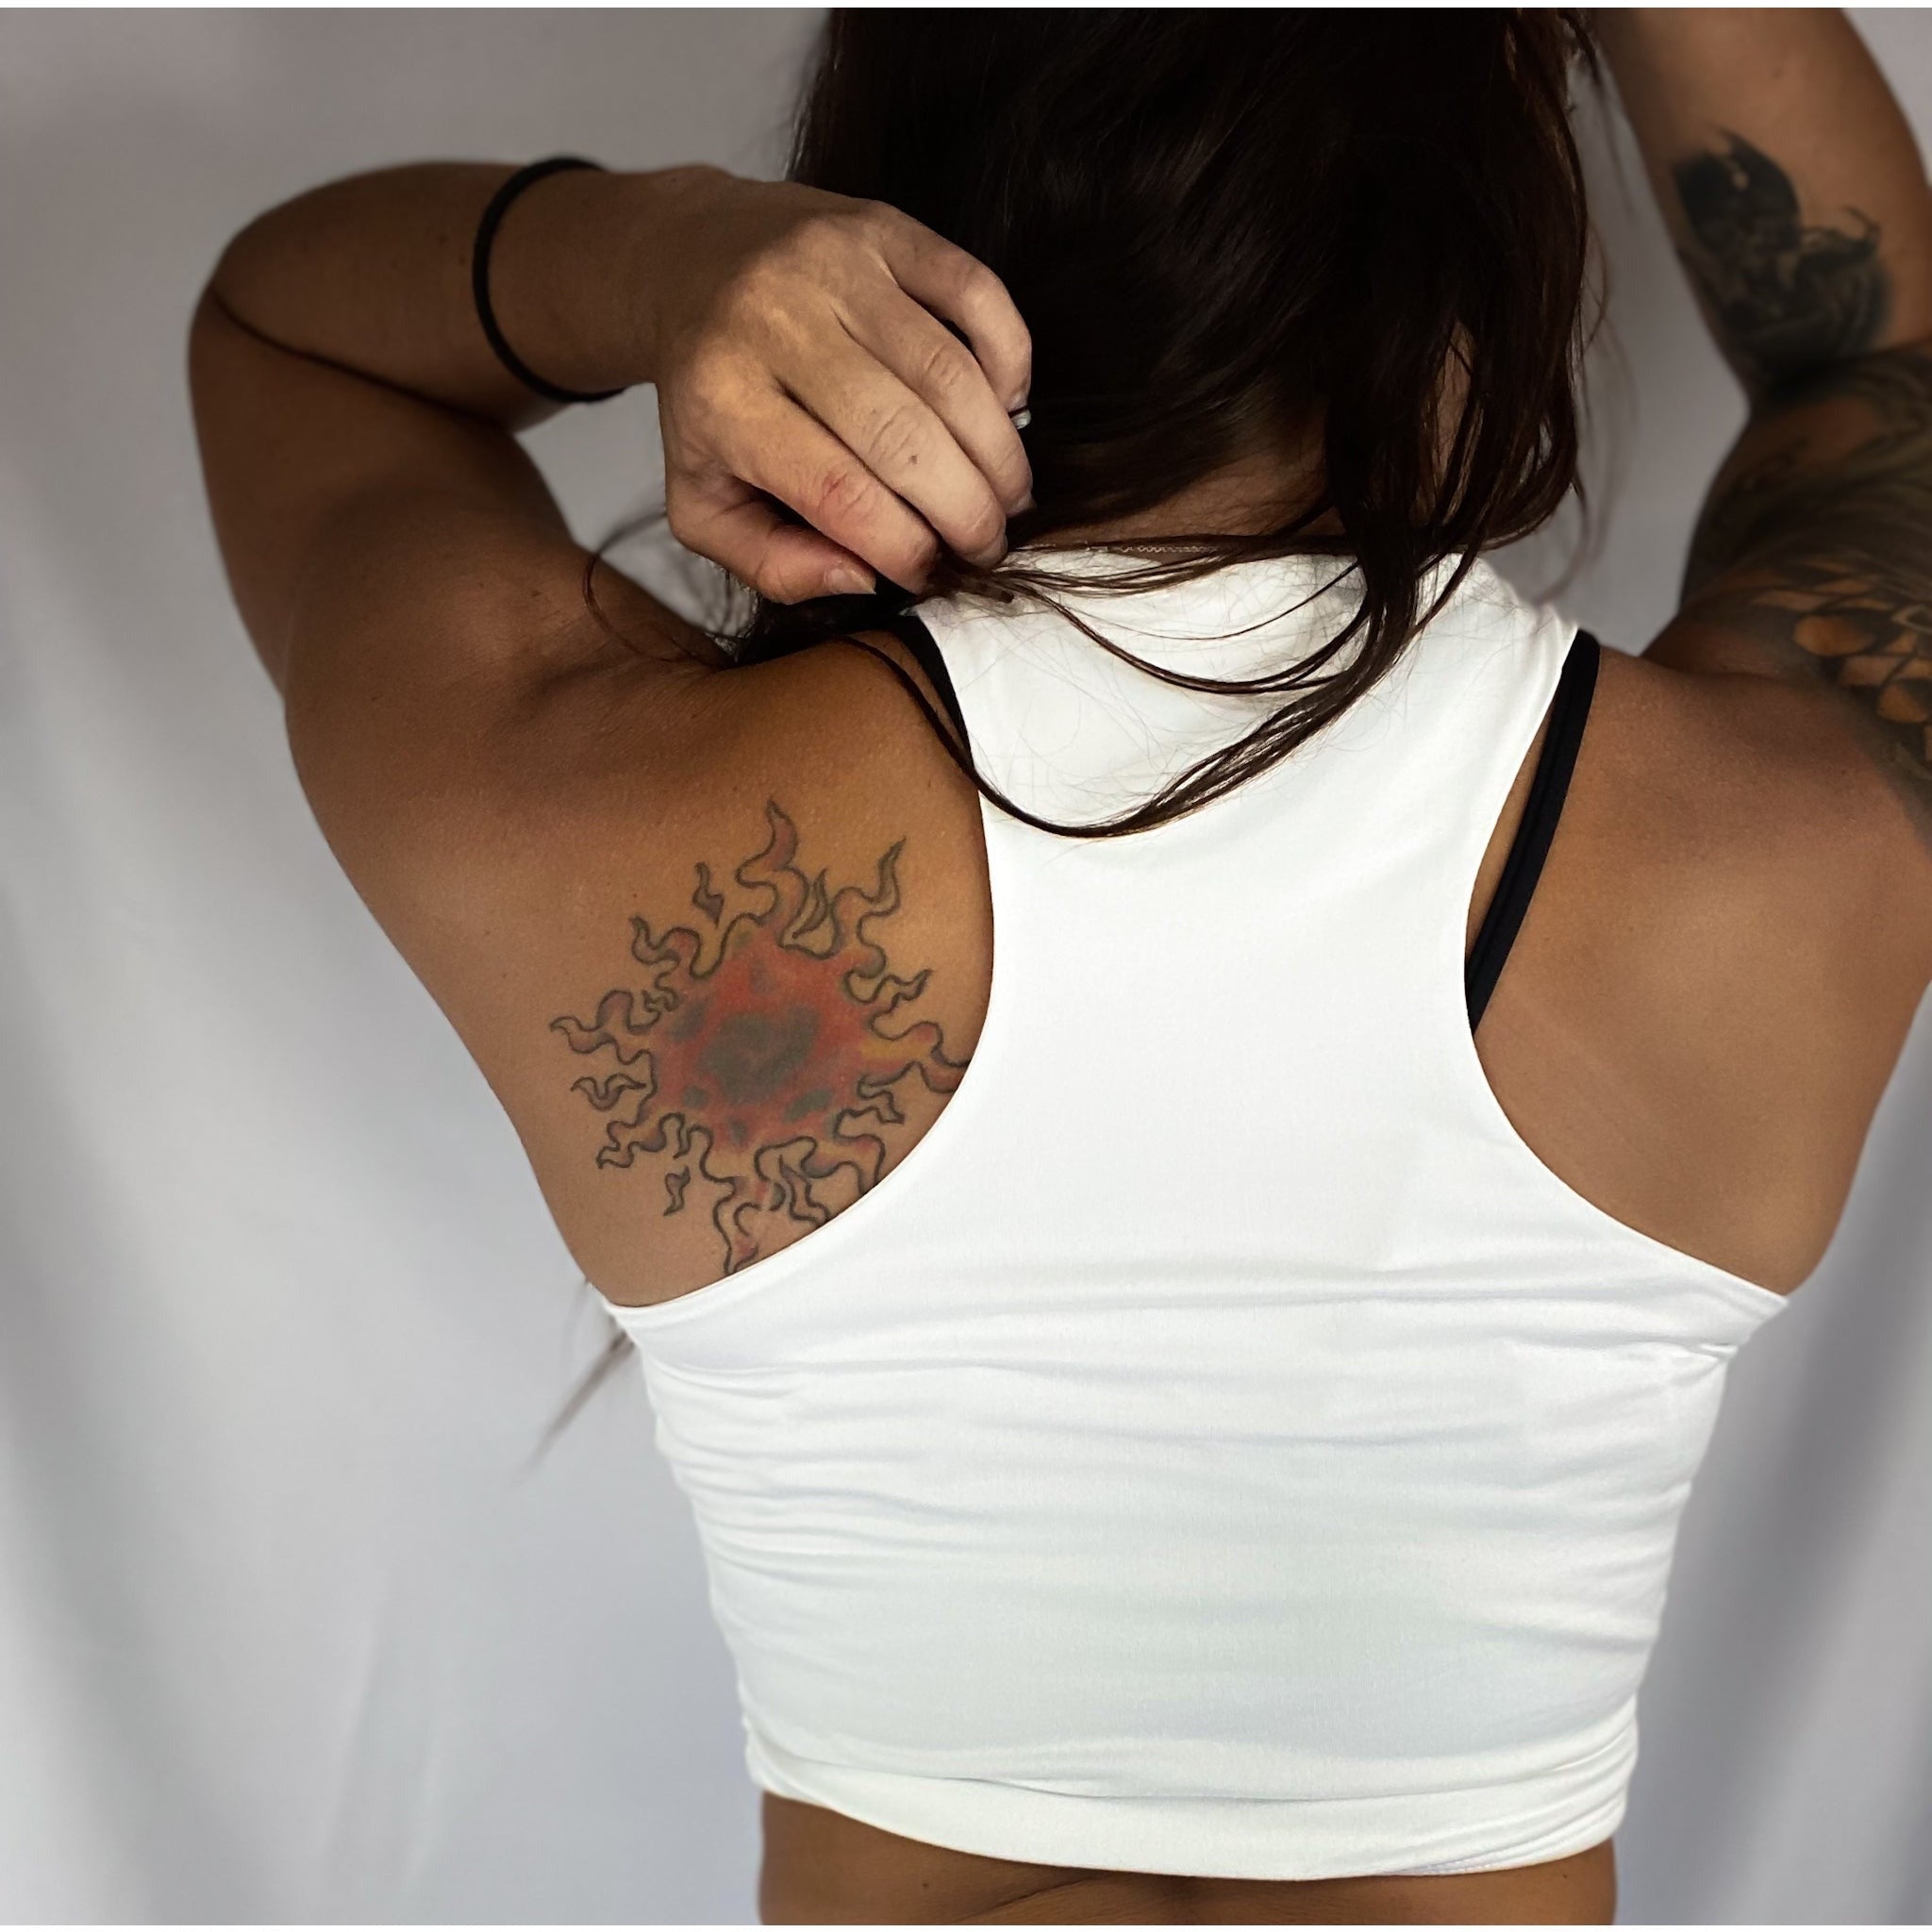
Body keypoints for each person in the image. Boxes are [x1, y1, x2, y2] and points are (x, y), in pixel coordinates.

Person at [187, 10, 1932, 1924]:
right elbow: (1882, 366)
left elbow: (293, 336)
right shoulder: (1779, 856)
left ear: (890, 217)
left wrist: (665, 254)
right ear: (1490, 274)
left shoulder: (599, 819)